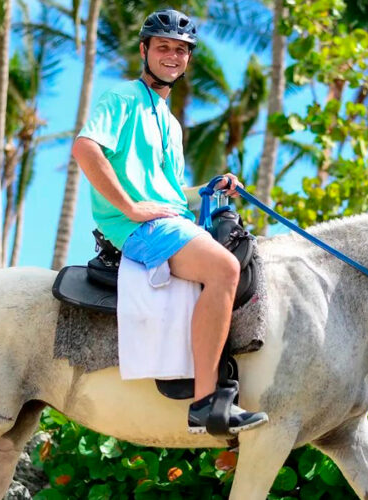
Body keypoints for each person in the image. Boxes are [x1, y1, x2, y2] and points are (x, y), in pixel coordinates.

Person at [72, 8, 268, 435]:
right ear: (145, 50)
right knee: (224, 269)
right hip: (138, 228)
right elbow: (86, 149)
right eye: (163, 47)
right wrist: (130, 208)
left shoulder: (172, 124)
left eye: (180, 51)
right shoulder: (122, 98)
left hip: (166, 218)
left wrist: (211, 187)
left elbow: (168, 194)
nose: (172, 56)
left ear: (187, 60)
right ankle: (207, 403)